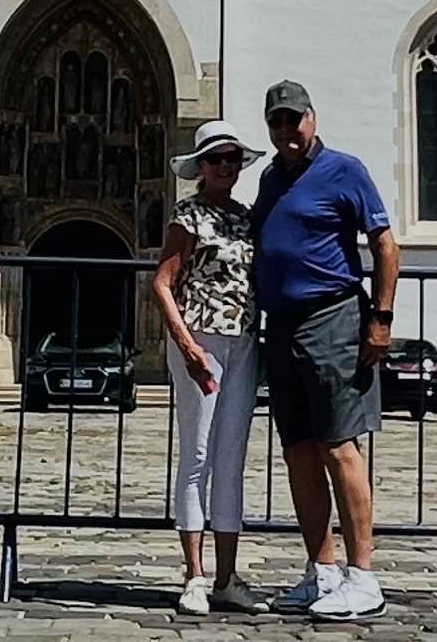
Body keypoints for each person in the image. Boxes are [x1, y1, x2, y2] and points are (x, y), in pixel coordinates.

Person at [251, 81, 398, 622]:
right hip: (283, 328)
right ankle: (323, 570)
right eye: (277, 123)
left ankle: (364, 577)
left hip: (332, 319)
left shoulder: (344, 169)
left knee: (340, 447)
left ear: (312, 118)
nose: (286, 132)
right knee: (298, 452)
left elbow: (384, 243)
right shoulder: (270, 177)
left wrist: (380, 319)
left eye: (293, 120)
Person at [152, 118, 267, 616]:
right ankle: (194, 575)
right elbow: (162, 282)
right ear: (200, 167)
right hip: (200, 339)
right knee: (197, 455)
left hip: (242, 341)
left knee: (231, 458)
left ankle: (227, 577)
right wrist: (186, 346)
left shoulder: (246, 217)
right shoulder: (189, 215)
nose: (225, 166)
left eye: (232, 158)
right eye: (216, 158)